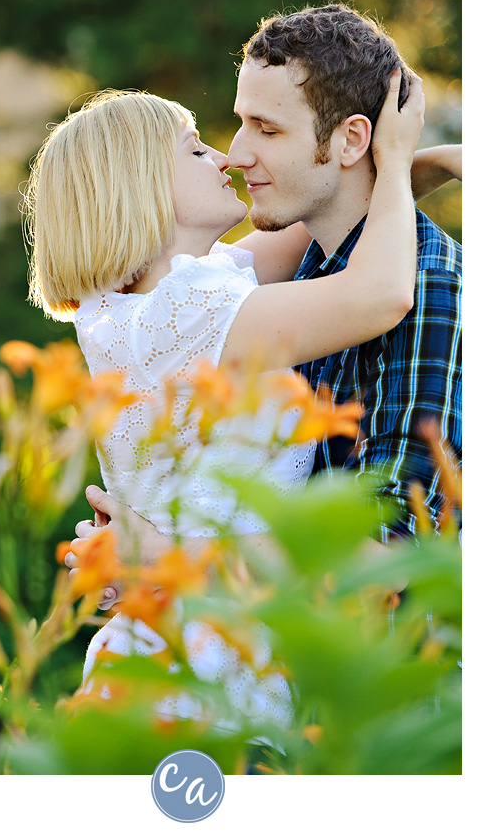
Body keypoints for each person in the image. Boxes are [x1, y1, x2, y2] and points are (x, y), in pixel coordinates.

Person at [26, 66, 424, 725]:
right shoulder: (178, 314)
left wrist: (422, 162)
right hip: (205, 655)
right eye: (192, 148)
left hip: (205, 626)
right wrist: (399, 158)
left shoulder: (152, 301)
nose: (226, 155)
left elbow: (333, 210)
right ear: (141, 187)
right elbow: (380, 294)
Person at [72, 4, 461, 578]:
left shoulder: (428, 285)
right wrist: (401, 164)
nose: (235, 154)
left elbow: (394, 569)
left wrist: (169, 561)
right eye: (240, 122)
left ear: (353, 139)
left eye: (268, 128)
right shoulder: (281, 277)